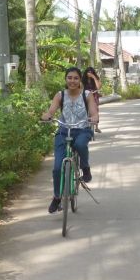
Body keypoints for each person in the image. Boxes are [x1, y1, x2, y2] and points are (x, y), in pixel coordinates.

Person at [42, 67, 99, 214]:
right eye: (69, 78)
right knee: (56, 167)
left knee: (80, 144)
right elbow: (51, 110)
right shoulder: (60, 95)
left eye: (75, 78)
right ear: (65, 79)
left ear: (80, 80)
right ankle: (56, 197)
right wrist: (47, 115)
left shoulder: (87, 95)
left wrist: (94, 117)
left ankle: (85, 167)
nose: (72, 81)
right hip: (63, 131)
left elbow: (93, 112)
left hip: (82, 130)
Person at [83, 66, 103, 133]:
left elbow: (98, 87)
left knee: (96, 110)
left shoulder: (96, 78)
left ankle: (96, 127)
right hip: (85, 96)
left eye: (91, 72)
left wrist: (94, 77)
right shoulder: (83, 79)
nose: (89, 73)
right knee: (85, 109)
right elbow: (80, 87)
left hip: (94, 95)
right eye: (88, 72)